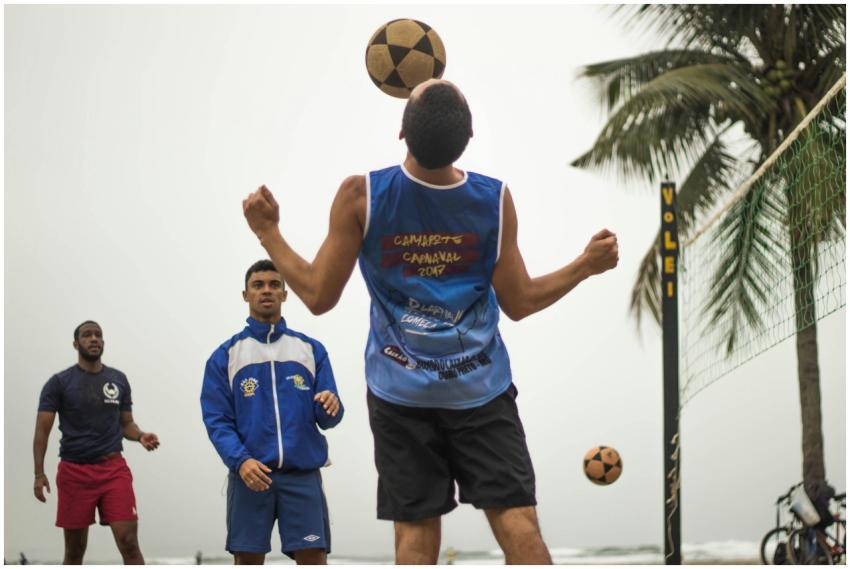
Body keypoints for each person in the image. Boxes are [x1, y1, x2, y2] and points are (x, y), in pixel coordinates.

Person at [242, 79, 619, 564]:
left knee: (416, 535)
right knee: (517, 523)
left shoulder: (362, 196)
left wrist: (268, 231)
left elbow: (316, 295)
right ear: (470, 136)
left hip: (400, 394)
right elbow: (520, 302)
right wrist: (584, 265)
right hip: (481, 390)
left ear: (402, 131)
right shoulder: (493, 199)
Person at [201, 260, 344, 565]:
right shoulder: (225, 356)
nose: (266, 290)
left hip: (302, 475)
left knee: (314, 557)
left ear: (284, 293)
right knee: (248, 558)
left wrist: (331, 405)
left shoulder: (311, 350)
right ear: (245, 295)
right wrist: (241, 461)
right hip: (251, 475)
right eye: (258, 285)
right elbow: (217, 421)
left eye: (274, 284)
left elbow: (329, 416)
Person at [33, 320, 160, 565]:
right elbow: (42, 431)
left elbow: (126, 424)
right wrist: (39, 473)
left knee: (130, 543)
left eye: (98, 335)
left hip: (113, 470)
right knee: (74, 551)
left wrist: (141, 435)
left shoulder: (118, 379)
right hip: (74, 472)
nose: (94, 339)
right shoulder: (58, 383)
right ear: (75, 343)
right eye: (87, 335)